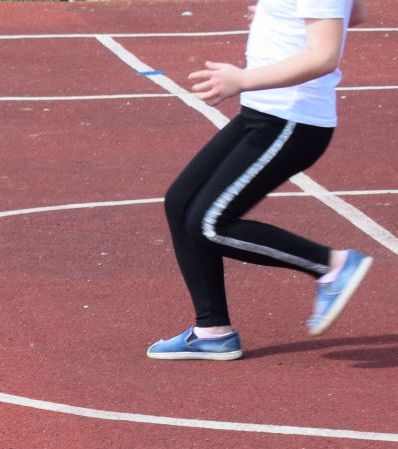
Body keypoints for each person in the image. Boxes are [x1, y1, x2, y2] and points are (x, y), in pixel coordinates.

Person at [149, 0, 374, 361]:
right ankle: (212, 331)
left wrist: (243, 79)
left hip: (292, 120)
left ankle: (331, 265)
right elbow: (356, 13)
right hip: (265, 111)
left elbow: (325, 55)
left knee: (209, 224)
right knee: (181, 202)